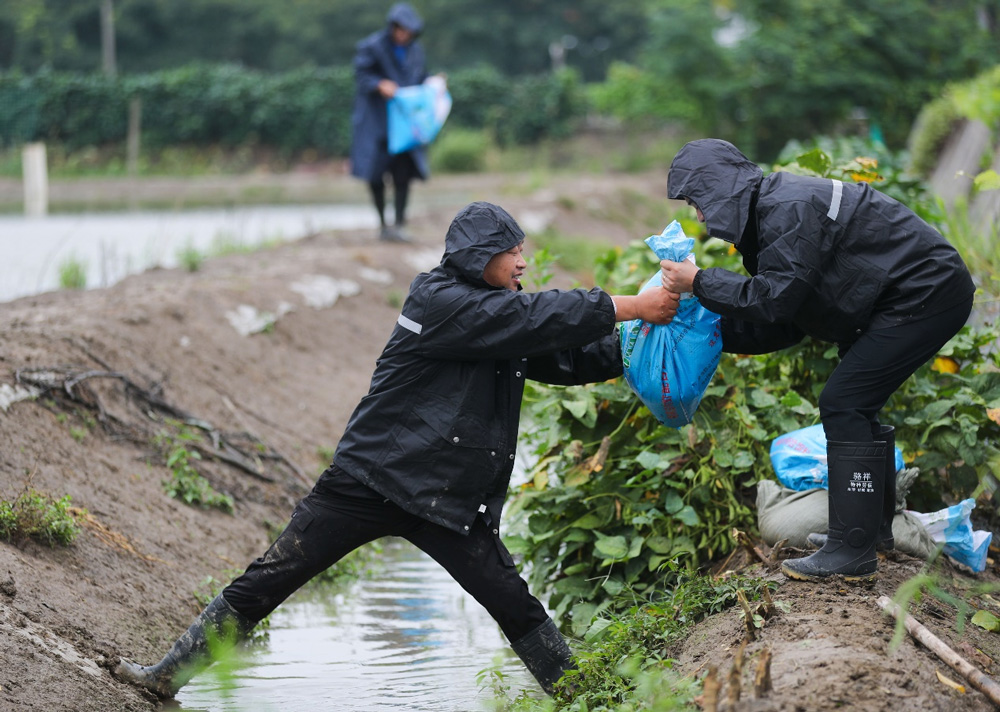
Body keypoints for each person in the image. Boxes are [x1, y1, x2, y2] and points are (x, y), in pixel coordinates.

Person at [115, 201, 681, 699]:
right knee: (271, 577)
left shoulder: (498, 314)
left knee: (513, 602)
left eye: (521, 251)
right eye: (512, 252)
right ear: (477, 256)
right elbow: (530, 317)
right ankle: (165, 677)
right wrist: (633, 305)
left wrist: (643, 344)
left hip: (442, 498)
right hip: (369, 479)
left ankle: (583, 697)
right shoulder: (438, 300)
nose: (522, 263)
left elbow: (563, 355)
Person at [659, 138, 975, 583]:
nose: (699, 216)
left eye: (697, 202)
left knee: (844, 403)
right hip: (905, 299)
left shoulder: (788, 208)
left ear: (717, 189)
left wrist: (699, 281)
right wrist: (708, 334)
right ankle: (871, 533)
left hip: (925, 294)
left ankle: (851, 547)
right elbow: (787, 320)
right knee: (856, 404)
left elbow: (773, 300)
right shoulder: (771, 214)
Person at [350, 2, 430, 243]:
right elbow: (361, 76)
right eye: (401, 29)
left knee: (403, 174)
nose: (404, 35)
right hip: (377, 123)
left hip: (405, 126)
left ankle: (400, 224)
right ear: (393, 27)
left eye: (409, 31)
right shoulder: (372, 46)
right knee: (375, 175)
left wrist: (433, 83)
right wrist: (379, 84)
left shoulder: (416, 51)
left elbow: (422, 77)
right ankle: (383, 225)